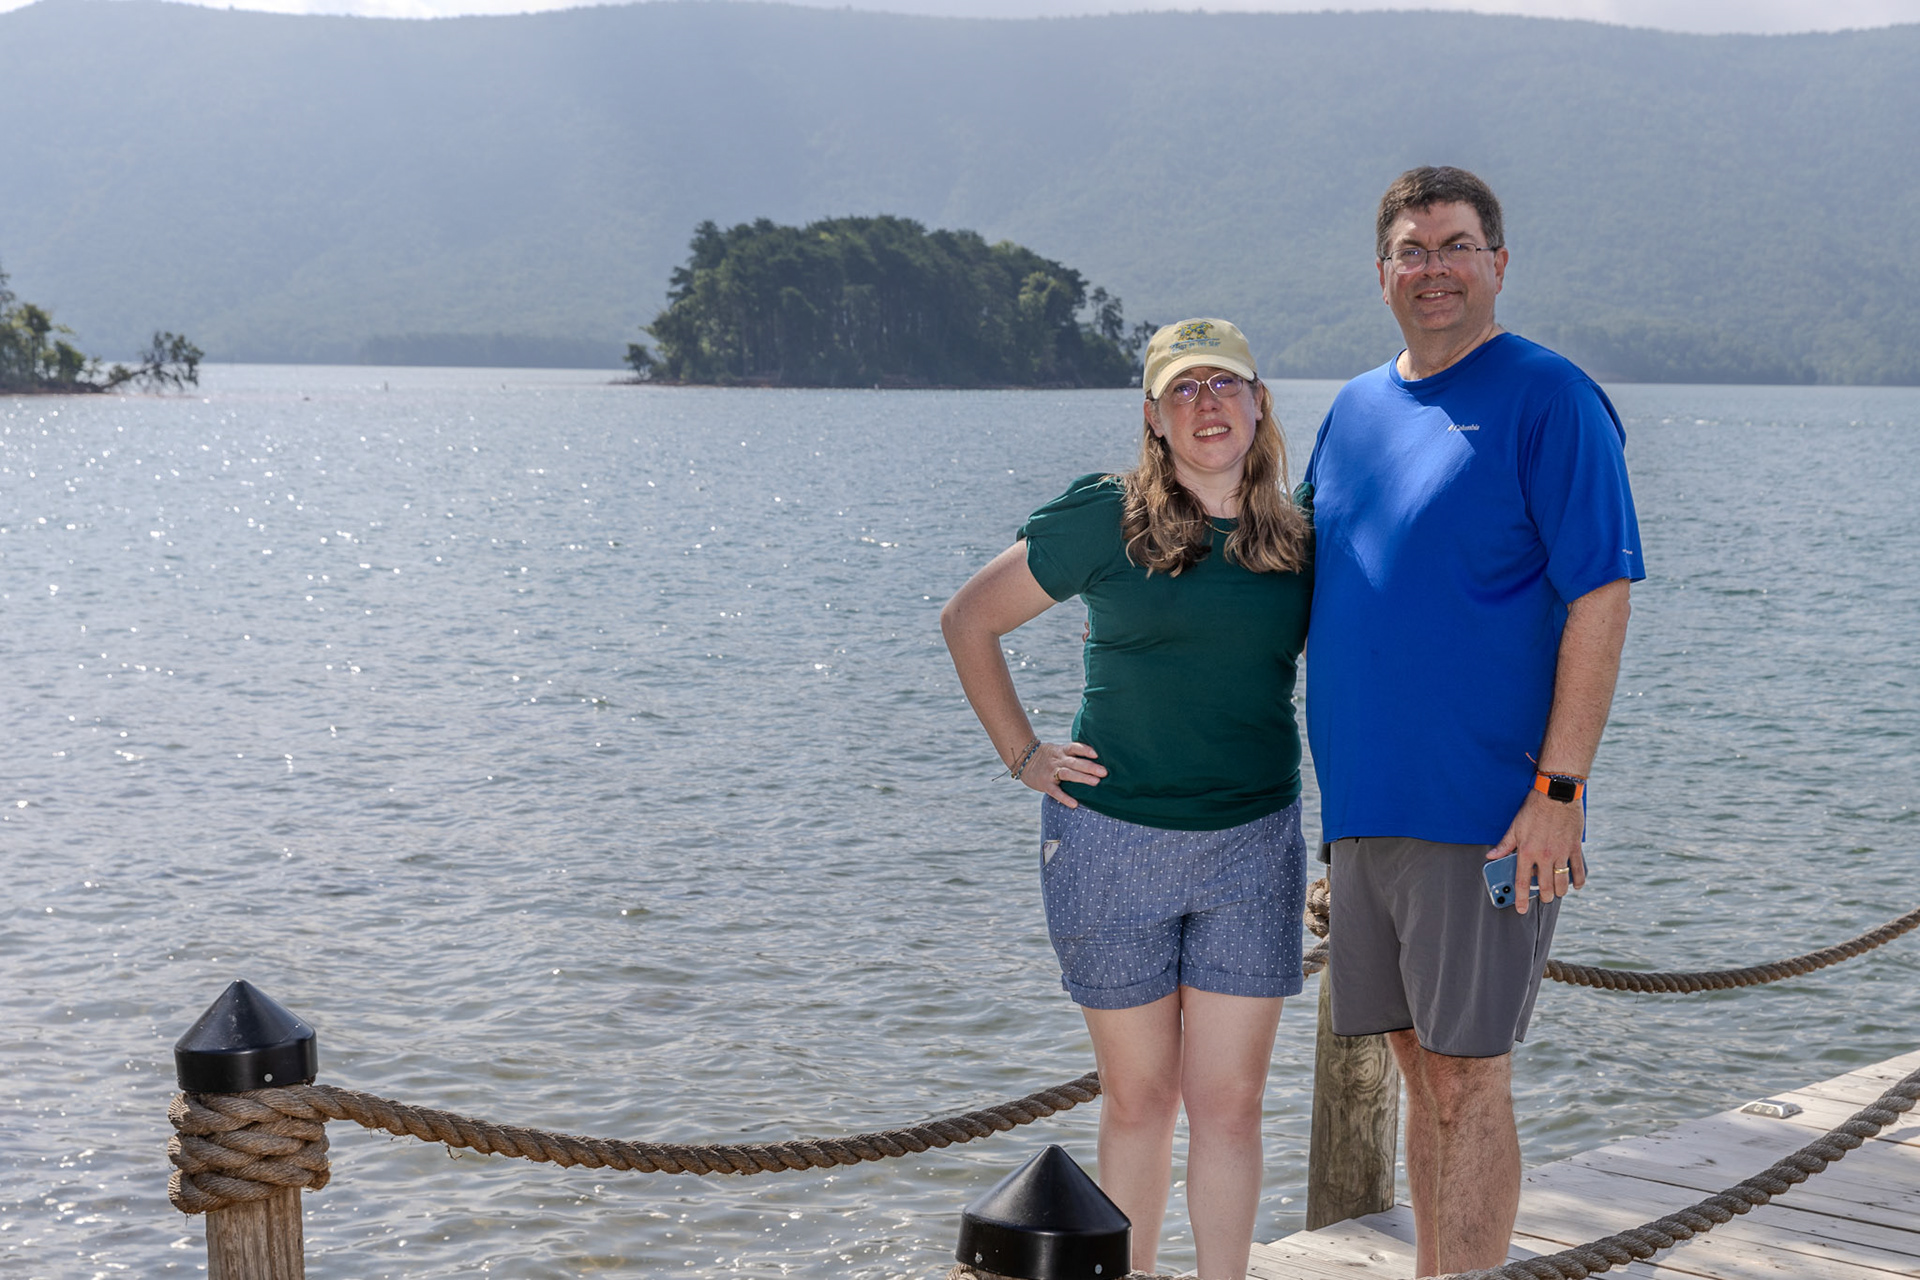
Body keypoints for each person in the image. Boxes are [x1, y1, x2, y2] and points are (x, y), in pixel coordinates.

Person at [1301, 166, 1644, 1277]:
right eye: (1412, 249)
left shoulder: (1551, 398)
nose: (1434, 268)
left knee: (1468, 1075)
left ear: (1498, 263)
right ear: (1382, 274)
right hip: (1366, 810)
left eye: (1456, 245)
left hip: (1487, 809)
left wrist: (1559, 790)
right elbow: (1303, 580)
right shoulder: (1353, 412)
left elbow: (1602, 597)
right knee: (1419, 1068)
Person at [941, 318, 1312, 1280]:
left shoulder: (1301, 535)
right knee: (1141, 1099)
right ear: (1153, 416)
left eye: (1224, 384)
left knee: (1230, 1105)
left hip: (1253, 845)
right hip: (1110, 843)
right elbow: (969, 620)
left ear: (1259, 402)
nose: (1206, 404)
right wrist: (1025, 755)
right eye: (1182, 389)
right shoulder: (1105, 517)